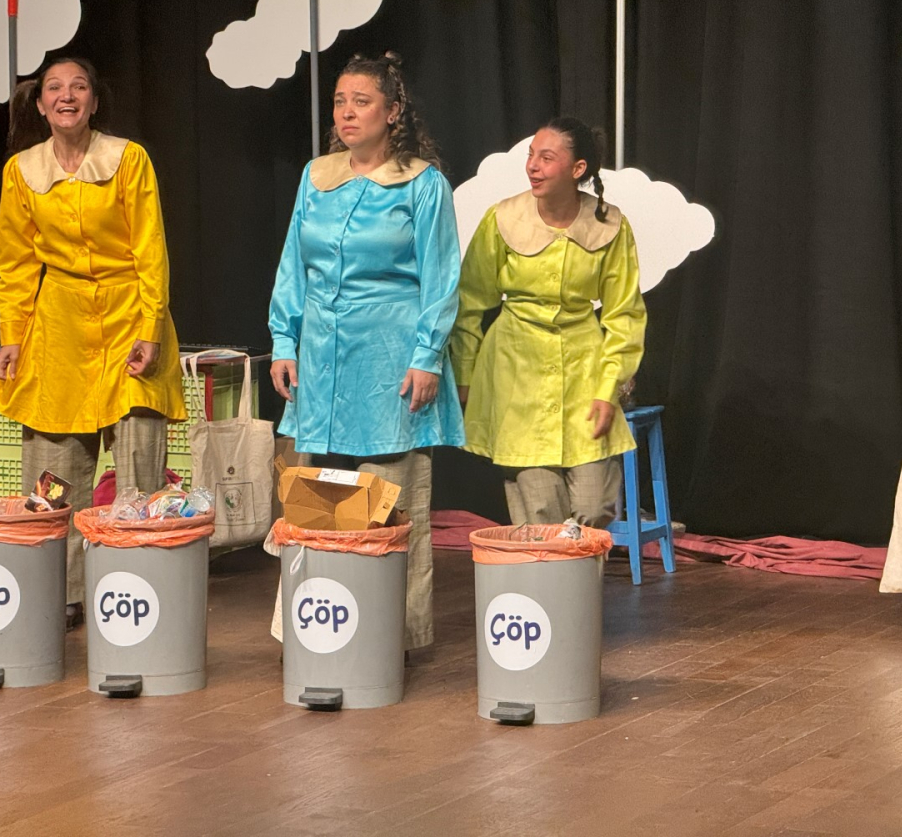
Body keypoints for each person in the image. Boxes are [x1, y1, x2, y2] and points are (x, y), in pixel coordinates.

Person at [269, 52, 464, 652]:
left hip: (389, 356)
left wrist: (427, 356)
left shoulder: (423, 184)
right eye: (339, 102)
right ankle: (317, 624)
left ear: (394, 111)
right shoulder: (316, 176)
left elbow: (441, 277)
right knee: (315, 495)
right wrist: (283, 339)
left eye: (362, 101)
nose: (347, 113)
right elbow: (293, 265)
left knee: (392, 500)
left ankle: (394, 636)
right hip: (322, 359)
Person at [0, 58, 186, 629]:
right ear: (40, 104)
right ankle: (62, 592)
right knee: (52, 471)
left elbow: (150, 248)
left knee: (139, 464)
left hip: (129, 316)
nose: (67, 96)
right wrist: (13, 337)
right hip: (58, 326)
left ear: (94, 102)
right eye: (54, 88)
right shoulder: (21, 171)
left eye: (78, 87)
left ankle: (141, 583)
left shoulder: (127, 159)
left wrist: (151, 327)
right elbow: (16, 263)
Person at [451, 117, 647, 527]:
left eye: (546, 157)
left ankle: (578, 570)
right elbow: (469, 301)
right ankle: (551, 572)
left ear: (578, 168)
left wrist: (609, 386)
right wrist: (465, 373)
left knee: (595, 506)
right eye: (531, 155)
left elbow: (624, 314)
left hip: (583, 371)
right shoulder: (504, 218)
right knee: (540, 512)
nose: (533, 166)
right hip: (516, 372)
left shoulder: (609, 225)